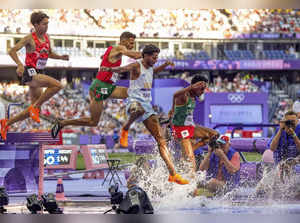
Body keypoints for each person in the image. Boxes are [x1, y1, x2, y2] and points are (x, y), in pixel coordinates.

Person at [100, 44, 188, 185]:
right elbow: (123, 69)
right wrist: (109, 69)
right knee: (138, 109)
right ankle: (126, 128)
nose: (155, 60)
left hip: (147, 105)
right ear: (145, 56)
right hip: (133, 100)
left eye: (157, 58)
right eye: (153, 57)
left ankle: (173, 174)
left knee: (161, 140)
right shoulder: (136, 65)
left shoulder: (151, 67)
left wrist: (165, 64)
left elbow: (155, 71)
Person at [51, 31, 142, 138]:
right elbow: (134, 55)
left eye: (133, 44)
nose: (132, 46)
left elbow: (104, 56)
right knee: (130, 92)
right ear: (123, 41)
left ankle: (62, 123)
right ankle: (62, 123)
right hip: (100, 87)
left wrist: (105, 58)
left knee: (93, 122)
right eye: (131, 43)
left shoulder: (113, 50)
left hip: (105, 86)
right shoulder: (119, 48)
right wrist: (147, 53)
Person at [0, 11, 69, 140]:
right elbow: (12, 50)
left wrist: (60, 57)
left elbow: (48, 53)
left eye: (47, 24)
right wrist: (20, 65)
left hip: (40, 71)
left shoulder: (47, 37)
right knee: (57, 85)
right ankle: (35, 108)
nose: (46, 26)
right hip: (30, 72)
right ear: (36, 24)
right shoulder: (29, 38)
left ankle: (6, 123)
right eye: (44, 24)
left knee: (32, 109)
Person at [169, 75, 219, 175]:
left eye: (204, 88)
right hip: (181, 129)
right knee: (191, 161)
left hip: (191, 127)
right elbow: (175, 95)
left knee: (214, 134)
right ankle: (189, 182)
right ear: (194, 86)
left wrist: (172, 109)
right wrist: (191, 87)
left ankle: (189, 152)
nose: (203, 91)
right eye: (201, 88)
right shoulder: (184, 95)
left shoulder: (193, 97)